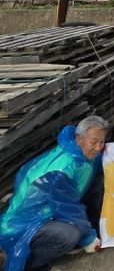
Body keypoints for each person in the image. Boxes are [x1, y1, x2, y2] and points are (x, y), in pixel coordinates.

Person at [0, 116, 107, 270]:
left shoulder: (80, 154)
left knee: (101, 180)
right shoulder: (59, 172)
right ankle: (29, 263)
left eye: (102, 142)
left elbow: (98, 160)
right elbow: (69, 208)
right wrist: (88, 238)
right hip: (26, 223)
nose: (98, 148)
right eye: (94, 142)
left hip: (51, 210)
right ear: (79, 139)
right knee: (69, 235)